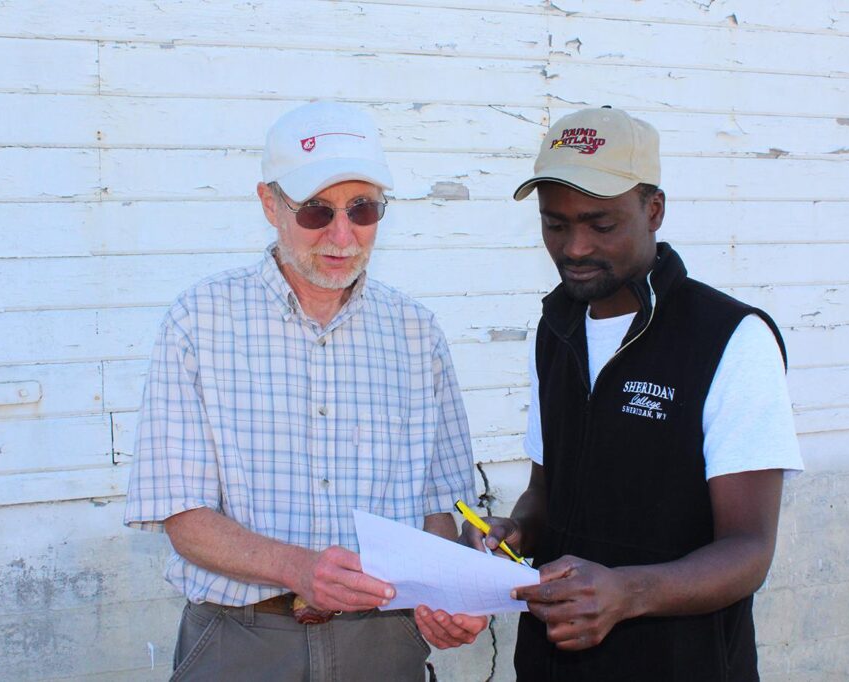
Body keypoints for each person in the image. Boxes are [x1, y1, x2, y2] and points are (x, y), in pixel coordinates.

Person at [124, 101, 487, 681]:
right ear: (270, 203)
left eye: (363, 209)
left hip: (384, 640)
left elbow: (436, 508)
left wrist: (444, 594)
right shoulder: (201, 320)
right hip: (240, 639)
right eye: (317, 212)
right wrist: (297, 568)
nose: (343, 235)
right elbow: (181, 515)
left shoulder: (417, 332)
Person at [461, 106, 804, 680]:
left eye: (600, 224)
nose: (573, 248)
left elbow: (748, 550)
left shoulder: (730, 339)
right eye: (555, 223)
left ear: (654, 210)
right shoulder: (555, 330)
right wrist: (513, 532)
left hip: (684, 665)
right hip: (550, 662)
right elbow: (546, 494)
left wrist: (628, 592)